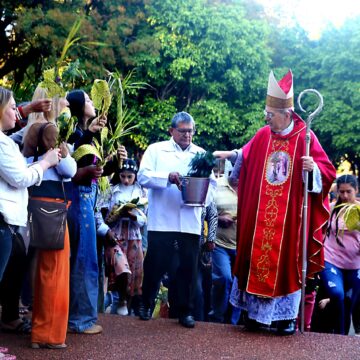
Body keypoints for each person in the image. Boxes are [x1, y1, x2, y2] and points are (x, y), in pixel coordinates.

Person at [222, 70, 336, 335]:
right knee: (254, 258)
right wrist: (233, 155)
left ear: (286, 114)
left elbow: (327, 171)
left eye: (270, 115)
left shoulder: (305, 138)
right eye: (267, 114)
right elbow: (246, 156)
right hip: (260, 215)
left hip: (290, 218)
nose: (266, 118)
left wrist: (313, 170)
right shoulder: (263, 134)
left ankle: (284, 319)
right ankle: (253, 315)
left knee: (287, 264)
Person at [137, 111, 216, 328]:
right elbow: (142, 176)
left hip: (190, 220)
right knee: (155, 264)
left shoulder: (201, 154)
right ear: (172, 131)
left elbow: (212, 186)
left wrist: (200, 197)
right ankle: (145, 303)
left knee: (188, 268)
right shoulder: (156, 150)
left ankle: (185, 311)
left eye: (190, 131)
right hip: (162, 219)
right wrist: (167, 178)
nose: (187, 135)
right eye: (182, 131)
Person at [0, 87, 59, 348]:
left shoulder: (4, 139)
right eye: (13, 107)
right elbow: (20, 177)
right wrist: (45, 163)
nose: (17, 111)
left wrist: (30, 109)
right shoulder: (1, 143)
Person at [66, 89, 127, 334]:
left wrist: (115, 163)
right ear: (79, 106)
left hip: (89, 201)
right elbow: (72, 163)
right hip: (78, 201)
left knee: (87, 260)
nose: (92, 102)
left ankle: (80, 316)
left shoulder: (91, 136)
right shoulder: (75, 133)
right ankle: (80, 320)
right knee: (83, 260)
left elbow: (98, 173)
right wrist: (89, 133)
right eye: (88, 100)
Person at [23, 121, 76, 349]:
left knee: (42, 274)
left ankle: (38, 332)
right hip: (55, 215)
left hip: (36, 213)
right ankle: (52, 336)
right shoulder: (55, 157)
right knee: (57, 274)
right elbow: (70, 171)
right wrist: (60, 152)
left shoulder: (29, 159)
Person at [95, 159, 147, 316]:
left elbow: (145, 218)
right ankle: (122, 300)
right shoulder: (111, 190)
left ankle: (126, 306)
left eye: (129, 177)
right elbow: (98, 211)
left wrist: (133, 217)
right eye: (123, 176)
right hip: (115, 235)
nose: (126, 180)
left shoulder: (141, 192)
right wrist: (105, 229)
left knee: (134, 273)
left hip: (133, 236)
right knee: (122, 269)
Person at [319, 174, 360, 335]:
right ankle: (340, 336)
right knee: (337, 295)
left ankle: (357, 330)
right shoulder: (330, 209)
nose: (344, 196)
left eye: (348, 192)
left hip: (356, 263)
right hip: (331, 259)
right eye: (341, 192)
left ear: (356, 190)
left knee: (357, 295)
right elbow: (319, 232)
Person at [208, 161, 241, 324]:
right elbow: (206, 209)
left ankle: (234, 321)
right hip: (220, 243)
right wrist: (219, 219)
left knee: (240, 283)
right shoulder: (216, 185)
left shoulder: (252, 186)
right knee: (224, 279)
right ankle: (217, 317)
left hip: (243, 245)